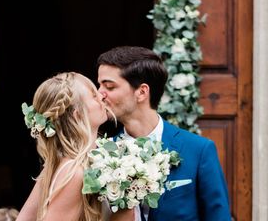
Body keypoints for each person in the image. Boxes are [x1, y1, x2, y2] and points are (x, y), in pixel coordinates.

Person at [97, 46, 232, 221]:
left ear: (142, 92)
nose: (99, 94)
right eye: (99, 85)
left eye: (109, 86)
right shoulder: (102, 156)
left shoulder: (198, 150)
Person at [16, 72, 133, 221]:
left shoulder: (62, 164)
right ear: (77, 115)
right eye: (93, 96)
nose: (102, 96)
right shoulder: (73, 173)